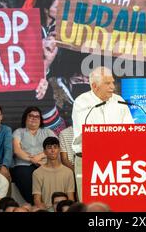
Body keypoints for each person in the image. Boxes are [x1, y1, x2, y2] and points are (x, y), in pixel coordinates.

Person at [72, 66, 134, 201]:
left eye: (113, 82)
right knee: (89, 206)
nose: (113, 86)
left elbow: (130, 131)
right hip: (88, 160)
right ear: (94, 86)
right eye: (107, 83)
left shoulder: (119, 100)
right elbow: (89, 133)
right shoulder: (82, 102)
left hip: (116, 161)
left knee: (115, 204)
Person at [12, 106, 56, 204]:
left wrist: (40, 156)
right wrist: (33, 160)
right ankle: (36, 204)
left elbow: (55, 147)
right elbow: (17, 150)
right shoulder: (19, 132)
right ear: (25, 118)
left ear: (40, 119)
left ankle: (48, 204)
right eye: (31, 116)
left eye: (37, 116)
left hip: (44, 164)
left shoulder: (47, 132)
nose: (34, 118)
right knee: (23, 174)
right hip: (23, 165)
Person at [32, 137, 75, 210]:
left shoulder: (68, 172)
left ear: (59, 150)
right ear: (44, 151)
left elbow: (70, 197)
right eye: (49, 148)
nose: (52, 150)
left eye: (55, 147)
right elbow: (37, 199)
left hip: (64, 209)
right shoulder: (37, 173)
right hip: (47, 209)